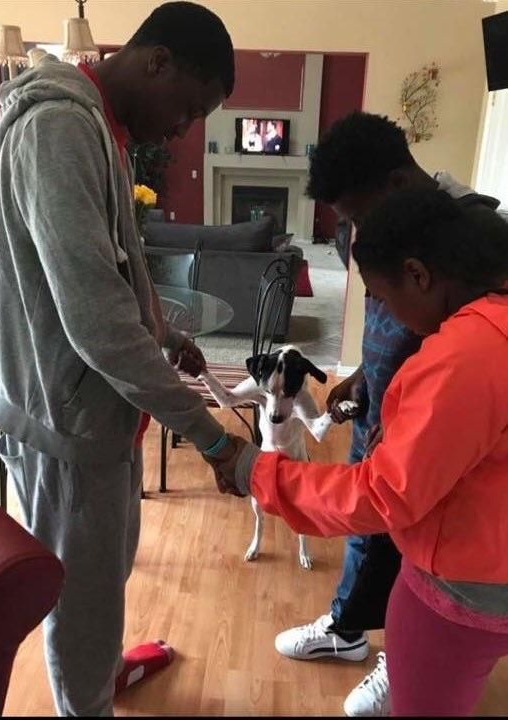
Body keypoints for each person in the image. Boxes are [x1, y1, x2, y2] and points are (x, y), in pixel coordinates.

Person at [0, 2, 235, 716]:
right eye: (187, 109)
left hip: (101, 412)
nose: (183, 131)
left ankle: (101, 673)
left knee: (108, 568)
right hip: (63, 421)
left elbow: (119, 260)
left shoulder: (101, 125)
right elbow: (95, 322)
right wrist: (212, 437)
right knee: (82, 598)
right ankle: (85, 703)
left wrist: (161, 334)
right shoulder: (59, 128)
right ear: (157, 61)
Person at [210, 188, 508, 717]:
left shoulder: (466, 357)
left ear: (418, 275)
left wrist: (255, 470)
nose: (387, 316)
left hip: (463, 590)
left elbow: (382, 494)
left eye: (382, 298)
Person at [271, 111, 501, 717]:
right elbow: (396, 330)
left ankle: (401, 661)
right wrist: (365, 380)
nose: (355, 232)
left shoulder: (473, 256)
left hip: (436, 469)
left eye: (357, 217)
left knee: (388, 530)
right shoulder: (406, 249)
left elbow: (391, 491)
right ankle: (353, 629)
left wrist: (261, 475)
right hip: (392, 421)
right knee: (371, 538)